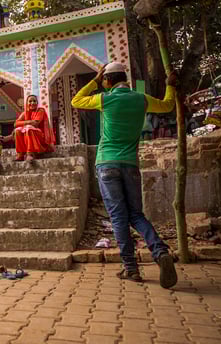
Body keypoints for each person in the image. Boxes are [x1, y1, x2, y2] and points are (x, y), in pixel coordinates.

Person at [71, 61, 178, 289]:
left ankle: (131, 268)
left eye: (104, 80)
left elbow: (76, 100)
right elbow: (168, 105)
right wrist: (170, 86)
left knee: (118, 217)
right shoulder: (141, 99)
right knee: (136, 215)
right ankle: (160, 252)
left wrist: (94, 81)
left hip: (107, 164)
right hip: (130, 165)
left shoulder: (106, 98)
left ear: (108, 81)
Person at [14, 95, 56, 163]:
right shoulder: (25, 113)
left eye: (34, 101)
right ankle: (21, 154)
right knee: (17, 130)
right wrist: (29, 122)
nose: (32, 103)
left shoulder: (40, 110)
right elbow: (15, 124)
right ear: (27, 103)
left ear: (37, 103)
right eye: (30, 101)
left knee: (29, 128)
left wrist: (24, 124)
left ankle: (30, 153)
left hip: (41, 138)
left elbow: (36, 123)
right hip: (30, 135)